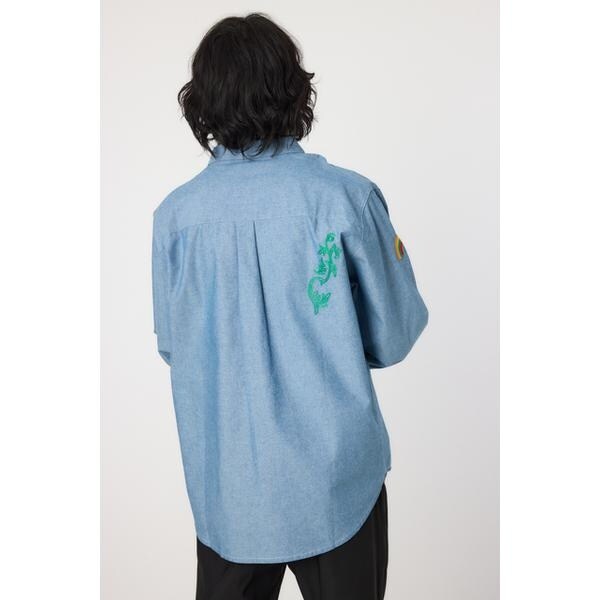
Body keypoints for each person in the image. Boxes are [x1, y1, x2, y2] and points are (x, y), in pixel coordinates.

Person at [152, 13, 428, 600]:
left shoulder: (174, 219)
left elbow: (175, 347)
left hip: (229, 489)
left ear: (203, 99)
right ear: (293, 89)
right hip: (336, 481)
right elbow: (395, 335)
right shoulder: (347, 199)